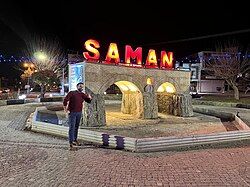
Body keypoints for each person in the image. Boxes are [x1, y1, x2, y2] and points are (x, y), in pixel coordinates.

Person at [63, 82, 92, 150]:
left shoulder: (82, 94)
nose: (81, 88)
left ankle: (75, 140)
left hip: (79, 113)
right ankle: (70, 142)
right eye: (80, 86)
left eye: (82, 87)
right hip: (72, 113)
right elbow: (65, 100)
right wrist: (65, 109)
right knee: (71, 127)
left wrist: (90, 98)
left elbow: (88, 101)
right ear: (77, 86)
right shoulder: (72, 93)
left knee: (76, 127)